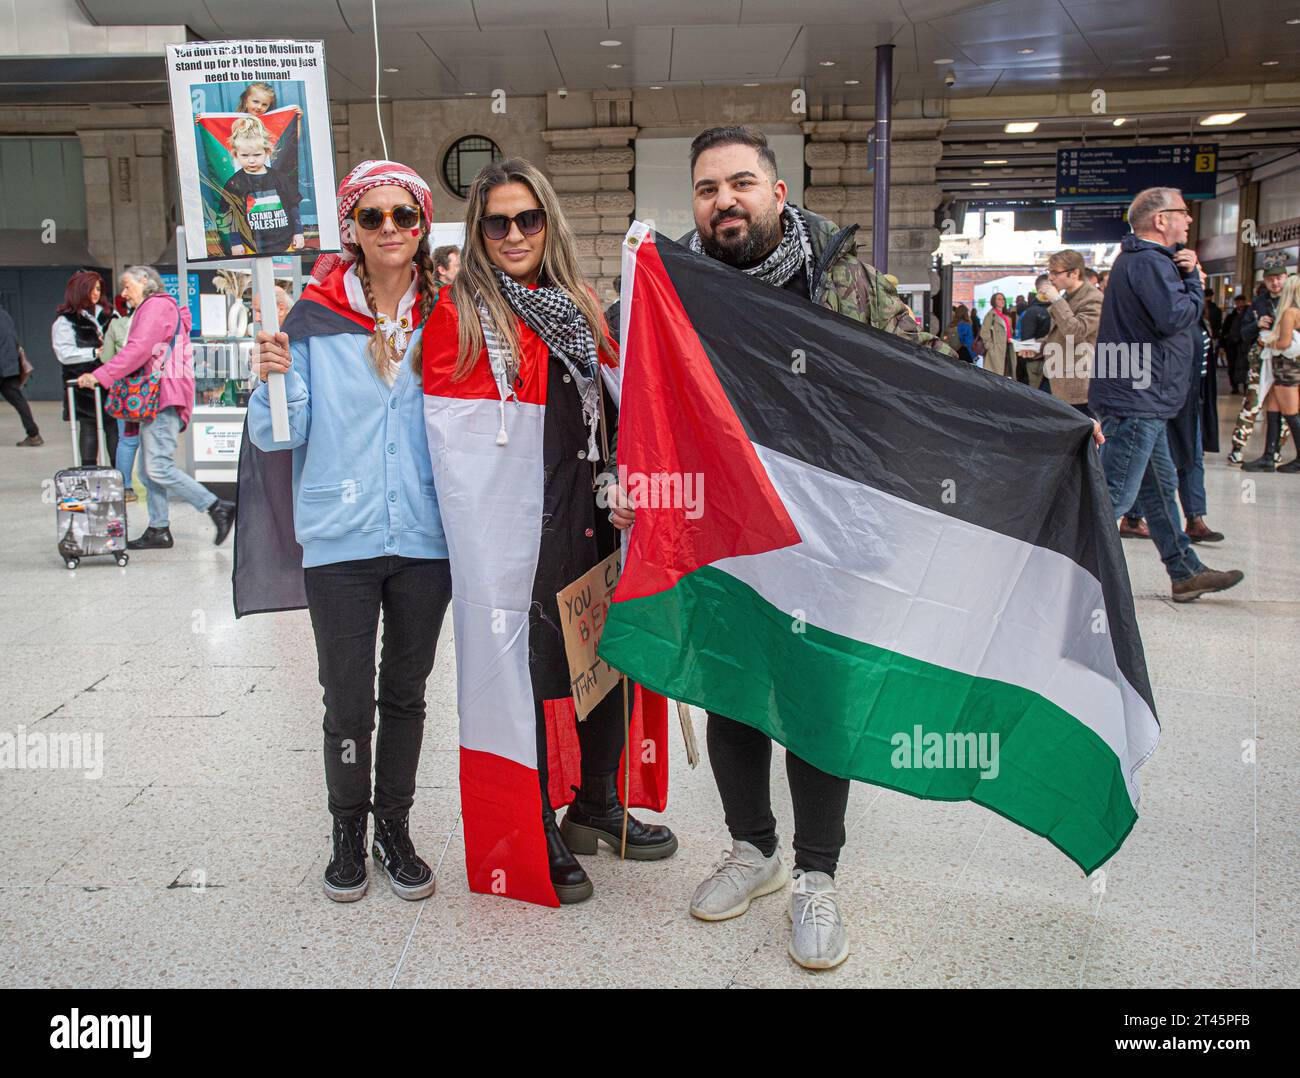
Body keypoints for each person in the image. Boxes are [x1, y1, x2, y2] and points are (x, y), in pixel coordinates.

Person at [635, 123, 960, 972]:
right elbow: (629, 376)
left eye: (740, 184)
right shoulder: (679, 286)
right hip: (729, 530)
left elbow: (930, 372)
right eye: (707, 190)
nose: (724, 202)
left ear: (778, 193)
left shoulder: (844, 278)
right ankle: (755, 849)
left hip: (829, 534)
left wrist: (1044, 426)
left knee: (816, 704)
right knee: (735, 692)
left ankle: (817, 875)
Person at [421, 157, 677, 906]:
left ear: (548, 223)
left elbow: (618, 409)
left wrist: (625, 482)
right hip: (523, 527)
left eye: (527, 219)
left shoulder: (579, 303)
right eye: (496, 222)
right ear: (478, 231)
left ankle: (595, 803)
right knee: (531, 673)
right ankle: (531, 821)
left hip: (592, 512)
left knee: (607, 660)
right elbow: (456, 443)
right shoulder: (461, 312)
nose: (512, 234)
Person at [250, 160, 450, 903]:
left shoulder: (451, 313)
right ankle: (346, 827)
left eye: (404, 216)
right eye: (374, 218)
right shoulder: (309, 317)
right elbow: (281, 437)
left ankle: (392, 827)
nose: (390, 229)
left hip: (428, 538)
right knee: (345, 699)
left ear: (422, 224)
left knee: (406, 691)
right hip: (340, 536)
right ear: (352, 230)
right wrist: (267, 378)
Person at [1090, 187, 1243, 602]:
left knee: (1159, 490)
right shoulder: (1150, 263)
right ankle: (1058, 578)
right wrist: (1195, 281)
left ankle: (1184, 571)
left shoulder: (1141, 261)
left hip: (1144, 396)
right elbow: (1174, 316)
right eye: (1183, 213)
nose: (1189, 220)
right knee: (1111, 499)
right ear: (1161, 220)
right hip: (1138, 397)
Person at [77, 265, 235, 550]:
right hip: (163, 395)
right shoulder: (160, 308)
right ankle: (159, 529)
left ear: (146, 281)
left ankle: (216, 506)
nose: (123, 294)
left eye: (127, 286)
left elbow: (137, 350)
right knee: (148, 472)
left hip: (164, 395)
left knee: (158, 467)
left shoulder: (155, 307)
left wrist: (100, 375)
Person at [1160, 267, 1226, 540]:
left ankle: (1195, 517)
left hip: (1191, 400)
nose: (1201, 280)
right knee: (1156, 464)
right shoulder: (1172, 314)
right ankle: (1133, 516)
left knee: (1192, 458)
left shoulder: (1198, 315)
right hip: (1165, 400)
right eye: (1196, 276)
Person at [1231, 254, 1292, 466]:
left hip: (1288, 361)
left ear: (1286, 277)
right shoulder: (1258, 304)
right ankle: (1238, 448)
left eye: (1279, 278)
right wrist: (1258, 325)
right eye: (1270, 279)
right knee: (1252, 402)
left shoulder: (1294, 300)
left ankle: (1275, 451)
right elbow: (1242, 334)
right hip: (1261, 359)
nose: (1275, 283)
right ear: (1265, 281)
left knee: (1286, 407)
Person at [53, 270, 117, 466]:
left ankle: (119, 475)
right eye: (90, 289)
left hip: (111, 380)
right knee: (89, 427)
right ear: (79, 290)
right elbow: (64, 353)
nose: (95, 293)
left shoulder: (110, 314)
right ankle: (88, 473)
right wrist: (94, 353)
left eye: (98, 288)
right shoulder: (65, 321)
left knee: (113, 426)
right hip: (83, 385)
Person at [1243, 272, 1300, 472]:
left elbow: (1283, 343)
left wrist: (1268, 341)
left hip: (1285, 369)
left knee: (1291, 414)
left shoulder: (1289, 312)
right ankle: (1269, 455)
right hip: (1289, 368)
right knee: (1274, 410)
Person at [222, 116, 303, 256]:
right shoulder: (234, 184)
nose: (251, 160)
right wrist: (235, 242)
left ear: (267, 152)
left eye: (257, 155)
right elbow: (230, 216)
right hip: (250, 247)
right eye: (245, 155)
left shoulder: (280, 178)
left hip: (285, 243)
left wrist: (299, 232)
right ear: (235, 155)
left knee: (285, 277)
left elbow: (293, 206)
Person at [1037, 248, 1102, 416]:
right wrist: (1040, 347)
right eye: (1049, 272)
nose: (1050, 278)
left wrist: (1056, 300)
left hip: (1079, 385)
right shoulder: (1067, 297)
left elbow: (1075, 332)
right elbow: (1059, 332)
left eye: (1055, 273)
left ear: (1074, 273)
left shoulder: (1093, 298)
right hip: (1056, 376)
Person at [100, 292, 138, 501]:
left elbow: (107, 358)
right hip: (151, 391)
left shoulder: (116, 326)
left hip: (125, 391)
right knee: (151, 440)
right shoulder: (152, 325)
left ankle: (125, 488)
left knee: (127, 440)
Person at [1, 303, 41, 445]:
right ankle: (34, 435)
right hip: (9, 365)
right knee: (18, 400)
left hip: (3, 365)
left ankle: (34, 435)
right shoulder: (5, 314)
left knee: (18, 400)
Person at [1013, 274, 1052, 389]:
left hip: (1047, 360)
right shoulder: (1033, 312)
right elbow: (1027, 342)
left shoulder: (1052, 308)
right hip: (1039, 362)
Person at [979, 291, 1014, 376]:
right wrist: (990, 347)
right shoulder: (991, 315)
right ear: (994, 301)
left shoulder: (1006, 317)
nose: (1002, 301)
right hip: (996, 350)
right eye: (999, 299)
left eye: (1003, 299)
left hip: (1007, 349)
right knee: (995, 376)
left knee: (1006, 375)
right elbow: (984, 332)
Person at [1221, 293, 1250, 393]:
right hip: (1232, 345)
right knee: (1232, 365)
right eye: (1238, 302)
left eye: (1242, 302)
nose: (1240, 304)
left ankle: (1246, 386)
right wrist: (1223, 344)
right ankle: (1234, 386)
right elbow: (1225, 330)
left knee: (1245, 365)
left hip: (1244, 344)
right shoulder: (1231, 316)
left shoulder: (1249, 314)